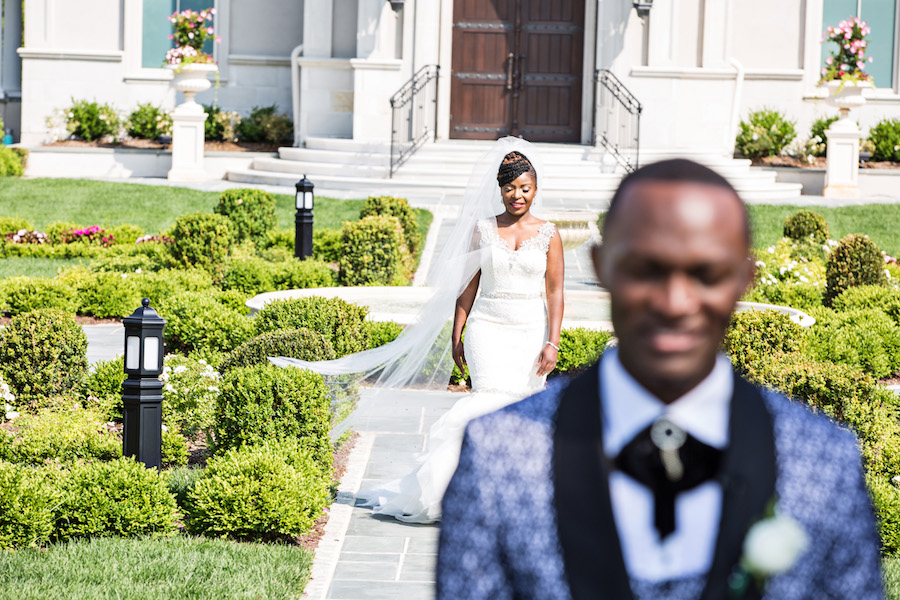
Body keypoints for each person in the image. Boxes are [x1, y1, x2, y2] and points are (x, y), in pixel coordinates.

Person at [436, 158, 882, 599]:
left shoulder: (824, 462)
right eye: (646, 269)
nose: (674, 302)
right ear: (603, 267)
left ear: (743, 280)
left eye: (706, 273)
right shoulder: (498, 457)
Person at [357, 144, 565, 523]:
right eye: (509, 188)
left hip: (530, 331)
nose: (517, 195)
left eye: (524, 188)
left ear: (535, 189)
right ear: (499, 190)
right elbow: (468, 286)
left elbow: (555, 292)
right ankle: (458, 494)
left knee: (522, 411)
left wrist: (552, 341)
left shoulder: (550, 234)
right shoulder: (483, 229)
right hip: (487, 327)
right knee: (483, 405)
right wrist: (458, 332)